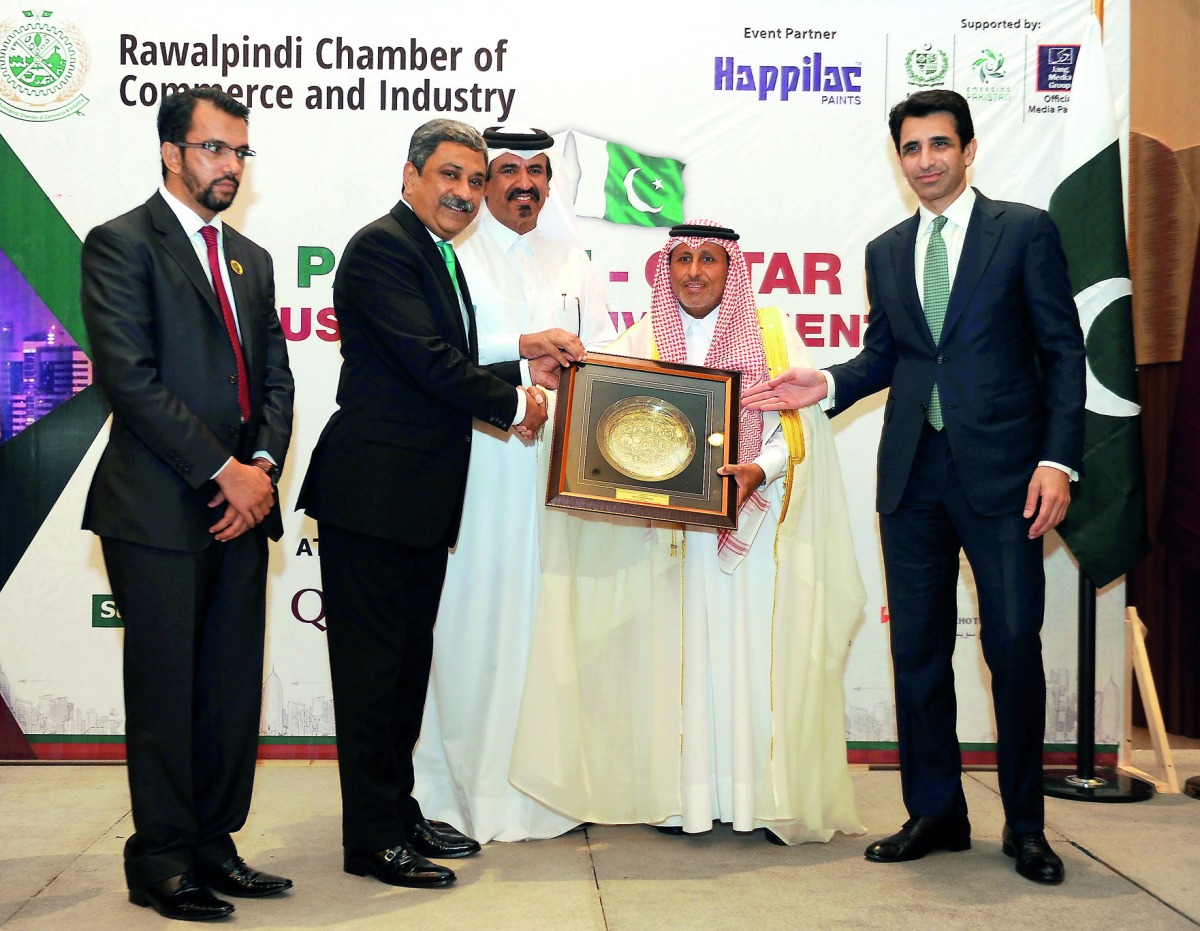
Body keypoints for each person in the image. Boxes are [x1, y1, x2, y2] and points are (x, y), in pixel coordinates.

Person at [743, 90, 1085, 883]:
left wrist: (1057, 461)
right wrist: (821, 382)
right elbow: (889, 358)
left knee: (1010, 648)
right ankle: (936, 811)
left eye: (939, 144)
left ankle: (1027, 826)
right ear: (897, 158)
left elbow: (1065, 353)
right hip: (912, 476)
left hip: (1007, 477)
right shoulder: (887, 249)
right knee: (918, 650)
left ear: (968, 150)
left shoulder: (1024, 231)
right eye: (910, 147)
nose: (925, 159)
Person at [509, 219, 866, 845]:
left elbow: (796, 423)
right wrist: (553, 387)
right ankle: (683, 802)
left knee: (746, 659)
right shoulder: (642, 337)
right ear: (665, 268)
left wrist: (759, 469)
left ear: (731, 269)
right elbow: (598, 408)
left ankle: (752, 799)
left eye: (708, 259)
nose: (695, 272)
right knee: (674, 663)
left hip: (747, 537)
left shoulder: (773, 331)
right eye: (682, 260)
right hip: (671, 540)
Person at [296, 119, 549, 890]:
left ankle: (397, 811)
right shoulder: (382, 247)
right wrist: (514, 401)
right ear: (410, 175)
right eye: (451, 176)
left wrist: (523, 350)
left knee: (405, 670)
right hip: (373, 496)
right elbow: (425, 359)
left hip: (416, 500)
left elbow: (451, 351)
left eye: (476, 181)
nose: (466, 194)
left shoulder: (436, 253)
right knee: (373, 675)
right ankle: (370, 838)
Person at [81, 87, 295, 921]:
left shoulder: (251, 256)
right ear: (172, 152)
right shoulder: (120, 243)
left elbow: (273, 378)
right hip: (159, 509)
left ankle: (214, 841)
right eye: (214, 149)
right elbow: (129, 379)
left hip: (243, 509)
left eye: (240, 152)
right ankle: (161, 857)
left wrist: (263, 466)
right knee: (169, 691)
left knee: (229, 690)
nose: (229, 167)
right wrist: (222, 471)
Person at [414, 126, 614, 843]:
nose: (523, 184)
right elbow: (438, 359)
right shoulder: (450, 259)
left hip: (561, 477)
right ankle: (458, 795)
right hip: (477, 471)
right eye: (507, 171)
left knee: (550, 632)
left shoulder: (574, 262)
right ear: (481, 183)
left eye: (537, 171)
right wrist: (520, 366)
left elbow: (609, 364)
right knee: (473, 633)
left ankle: (549, 795)